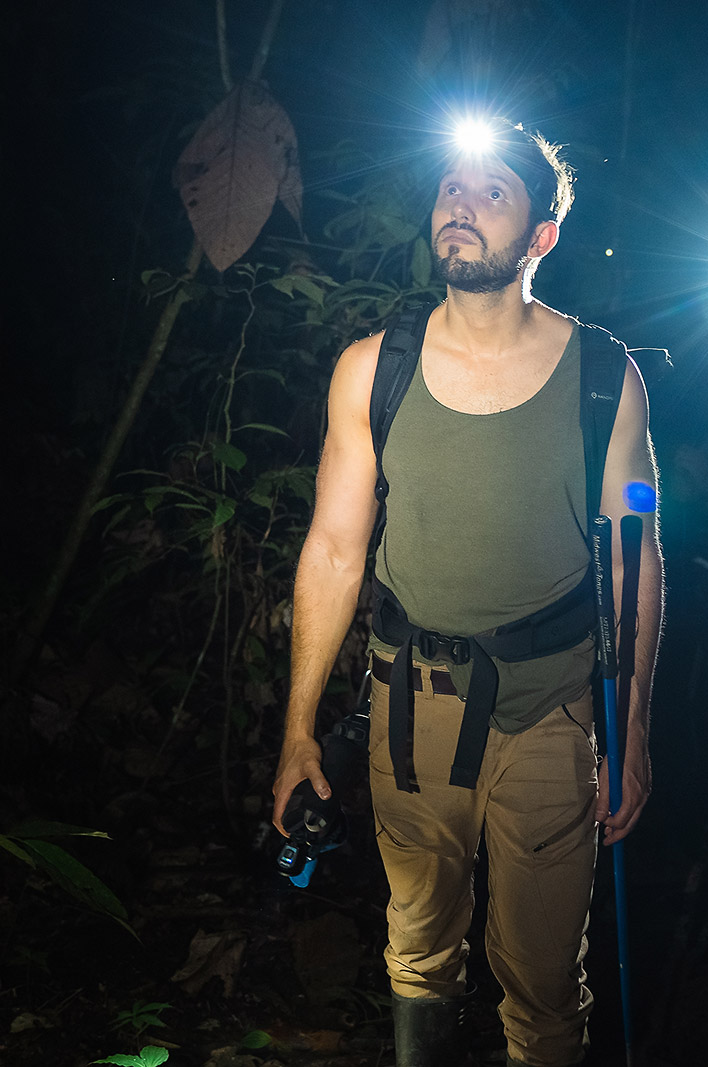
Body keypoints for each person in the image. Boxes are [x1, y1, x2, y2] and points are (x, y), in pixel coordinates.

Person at [270, 121, 663, 1067]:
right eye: (452, 184)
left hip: (554, 710)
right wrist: (297, 729)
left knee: (540, 974)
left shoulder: (605, 376)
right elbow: (332, 548)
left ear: (542, 236)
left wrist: (636, 723)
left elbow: (637, 556)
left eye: (494, 192)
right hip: (414, 706)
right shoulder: (374, 369)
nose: (461, 201)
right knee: (418, 944)